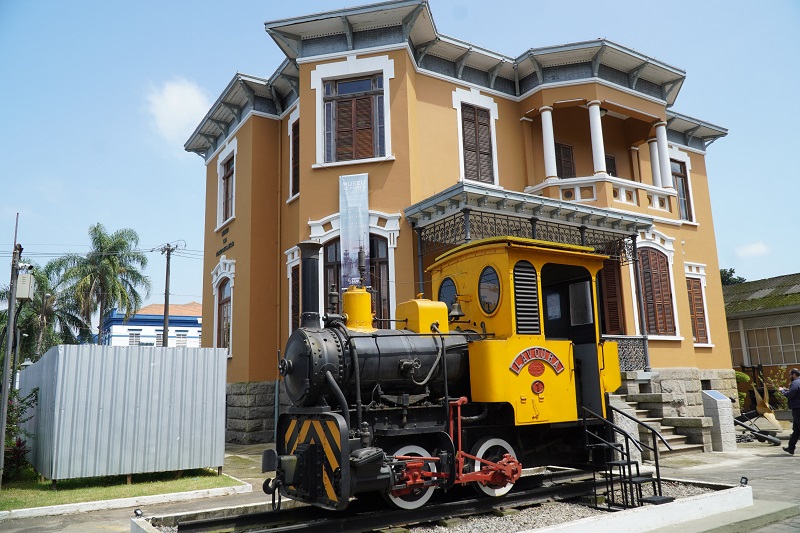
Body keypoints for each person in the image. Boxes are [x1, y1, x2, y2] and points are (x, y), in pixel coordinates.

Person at [779, 368, 800, 455]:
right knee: (797, 430)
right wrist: (788, 390)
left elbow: (791, 395)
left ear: (794, 375)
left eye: (790, 375)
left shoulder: (795, 383)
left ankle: (791, 448)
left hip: (797, 409)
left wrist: (782, 391)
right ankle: (791, 448)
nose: (789, 376)